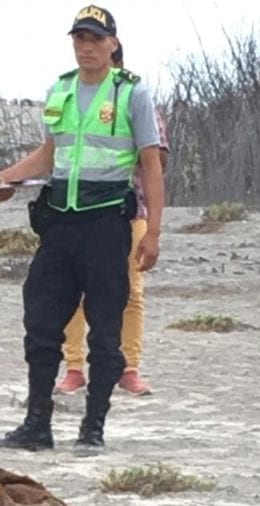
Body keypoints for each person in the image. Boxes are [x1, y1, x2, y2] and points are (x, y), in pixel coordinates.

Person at [0, 6, 164, 456]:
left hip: (106, 224)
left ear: (113, 44)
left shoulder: (131, 93)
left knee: (105, 328)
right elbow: (50, 154)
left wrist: (154, 232)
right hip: (59, 225)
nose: (86, 47)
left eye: (95, 39)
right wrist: (5, 177)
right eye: (79, 38)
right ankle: (36, 425)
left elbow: (151, 164)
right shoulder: (61, 89)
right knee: (41, 321)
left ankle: (92, 428)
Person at [57, 60, 170, 398]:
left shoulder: (136, 100)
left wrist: (153, 230)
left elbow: (157, 160)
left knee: (131, 291)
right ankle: (74, 368)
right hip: (79, 214)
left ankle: (129, 368)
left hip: (128, 210)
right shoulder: (70, 98)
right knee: (73, 292)